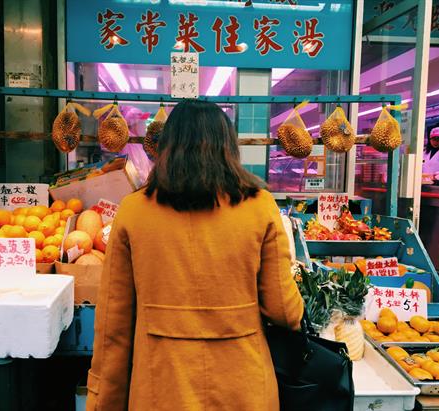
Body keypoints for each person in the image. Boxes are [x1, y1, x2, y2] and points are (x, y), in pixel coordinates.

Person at [86, 100, 304, 411]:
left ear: (167, 147)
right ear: (228, 147)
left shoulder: (133, 211)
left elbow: (113, 327)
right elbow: (284, 310)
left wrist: (102, 401)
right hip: (243, 387)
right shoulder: (260, 206)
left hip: (160, 388)